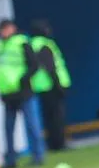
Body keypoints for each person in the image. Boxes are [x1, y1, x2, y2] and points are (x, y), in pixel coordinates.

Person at [0, 19, 45, 168]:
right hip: (8, 94)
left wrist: (23, 80)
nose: (3, 33)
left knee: (32, 125)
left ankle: (38, 156)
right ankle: (11, 160)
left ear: (12, 28)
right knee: (8, 128)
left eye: (5, 29)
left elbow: (34, 65)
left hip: (24, 92)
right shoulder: (0, 46)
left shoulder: (22, 42)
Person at [29, 19, 72, 152]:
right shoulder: (44, 45)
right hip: (52, 86)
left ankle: (53, 143)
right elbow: (50, 67)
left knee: (48, 117)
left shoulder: (32, 45)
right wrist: (58, 84)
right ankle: (59, 143)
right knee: (57, 116)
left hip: (41, 86)